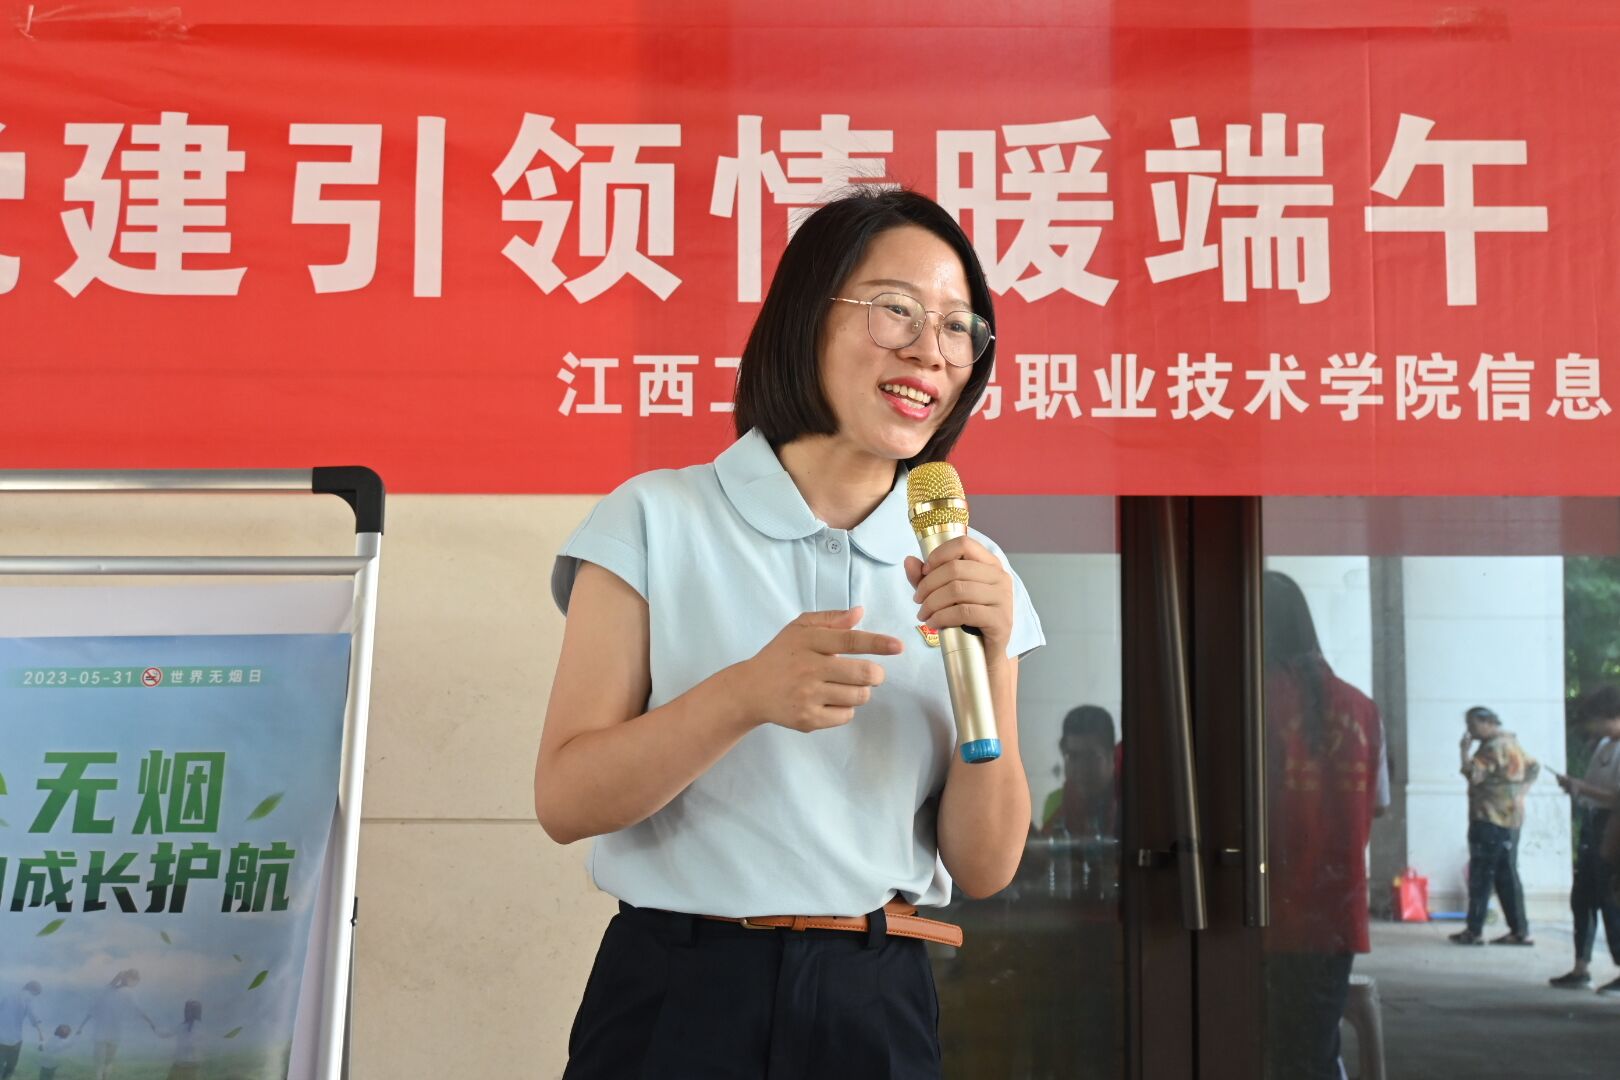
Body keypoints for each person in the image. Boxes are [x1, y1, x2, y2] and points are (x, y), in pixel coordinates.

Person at [535, 187, 1044, 1079]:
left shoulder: (970, 565)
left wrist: (992, 662)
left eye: (959, 326)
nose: (930, 349)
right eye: (897, 309)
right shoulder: (654, 518)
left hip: (876, 997)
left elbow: (987, 864)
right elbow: (566, 800)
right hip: (681, 990)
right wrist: (743, 695)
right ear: (807, 316)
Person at [1262, 571, 1383, 1080]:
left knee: (1270, 1052)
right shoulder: (1363, 708)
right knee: (1313, 1051)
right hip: (1337, 914)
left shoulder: (1254, 701)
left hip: (1269, 909)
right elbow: (1376, 806)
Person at [1549, 684, 1620, 993]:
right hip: (1594, 822)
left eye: (1597, 720)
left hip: (1613, 824)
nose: (1593, 727)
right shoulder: (1604, 745)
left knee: (1612, 900)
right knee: (1583, 897)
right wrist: (1577, 788)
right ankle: (1581, 966)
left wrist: (1581, 786)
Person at [1451, 705, 1540, 946]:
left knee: (1481, 875)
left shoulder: (1491, 748)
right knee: (1507, 875)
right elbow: (1534, 767)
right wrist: (1520, 794)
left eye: (1473, 725)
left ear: (1488, 722)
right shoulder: (1512, 743)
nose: (1470, 730)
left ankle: (1474, 930)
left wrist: (1464, 751)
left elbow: (1473, 774)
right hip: (1511, 819)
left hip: (1489, 817)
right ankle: (1520, 930)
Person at [1039, 705, 1117, 839]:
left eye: (1091, 756)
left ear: (1112, 758)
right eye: (1073, 756)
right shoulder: (1055, 802)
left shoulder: (1131, 800)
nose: (1081, 769)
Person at [78, 970, 155, 1080]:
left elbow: (92, 1010)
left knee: (99, 1064)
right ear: (131, 979)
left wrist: (81, 1027)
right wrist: (150, 1022)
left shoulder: (107, 990)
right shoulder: (128, 992)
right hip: (114, 1032)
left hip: (101, 1032)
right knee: (108, 1062)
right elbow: (138, 1010)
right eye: (135, 980)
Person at [0, 982, 44, 1080]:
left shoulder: (8, 995)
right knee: (10, 1067)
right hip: (15, 1039)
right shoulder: (27, 999)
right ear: (33, 991)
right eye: (36, 994)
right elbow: (34, 1018)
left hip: (1, 1037)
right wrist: (41, 1034)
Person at [156, 1001, 204, 1080]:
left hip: (191, 1064)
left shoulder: (198, 1027)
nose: (186, 1012)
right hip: (181, 1063)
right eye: (186, 1010)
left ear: (195, 1012)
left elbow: (191, 1043)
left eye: (189, 1010)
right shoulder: (182, 1026)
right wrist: (154, 1027)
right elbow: (166, 1034)